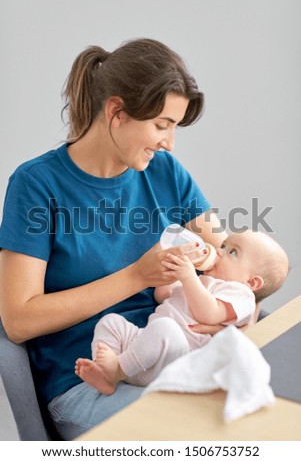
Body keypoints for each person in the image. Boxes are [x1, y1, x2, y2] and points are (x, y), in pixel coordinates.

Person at [0, 38, 228, 440]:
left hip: (170, 359)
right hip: (89, 382)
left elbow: (226, 256)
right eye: (161, 125)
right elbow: (19, 320)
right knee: (199, 434)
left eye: (173, 127)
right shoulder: (36, 185)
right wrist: (138, 276)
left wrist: (222, 307)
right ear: (117, 112)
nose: (168, 143)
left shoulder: (165, 172)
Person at [75, 230, 289, 395]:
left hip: (175, 359)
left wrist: (188, 277)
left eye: (232, 252)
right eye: (223, 245)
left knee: (165, 327)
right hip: (146, 348)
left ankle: (117, 370)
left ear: (252, 282)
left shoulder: (240, 295)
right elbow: (164, 296)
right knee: (111, 322)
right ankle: (104, 372)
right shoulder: (203, 280)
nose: (219, 251)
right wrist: (171, 273)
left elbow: (210, 315)